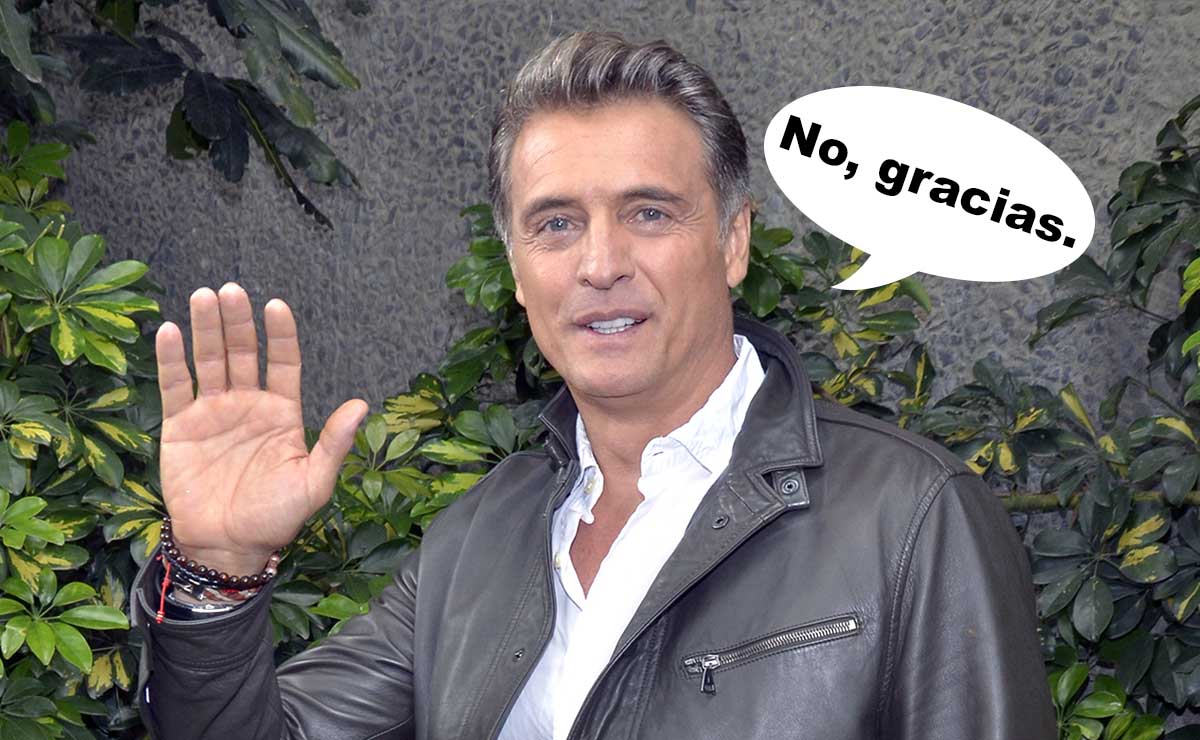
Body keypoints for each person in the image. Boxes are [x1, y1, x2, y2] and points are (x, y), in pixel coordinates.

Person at [130, 30, 1056, 740]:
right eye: (556, 224)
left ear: (733, 241)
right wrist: (219, 570)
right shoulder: (472, 543)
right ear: (516, 268)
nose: (600, 264)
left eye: (648, 213)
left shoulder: (911, 516)